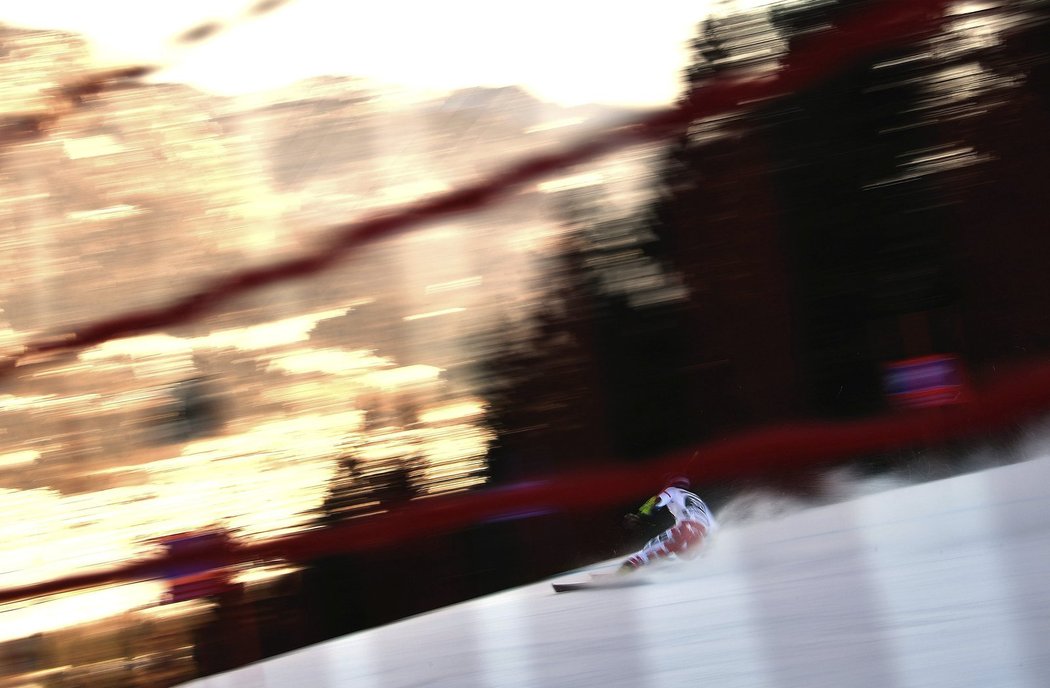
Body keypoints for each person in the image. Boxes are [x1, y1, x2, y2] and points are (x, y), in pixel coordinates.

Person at [618, 476, 716, 574]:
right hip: (700, 538)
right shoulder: (698, 499)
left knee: (652, 546)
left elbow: (657, 501)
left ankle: (628, 568)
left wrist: (639, 515)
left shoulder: (673, 490)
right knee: (673, 547)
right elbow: (713, 526)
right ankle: (658, 560)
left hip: (685, 528)